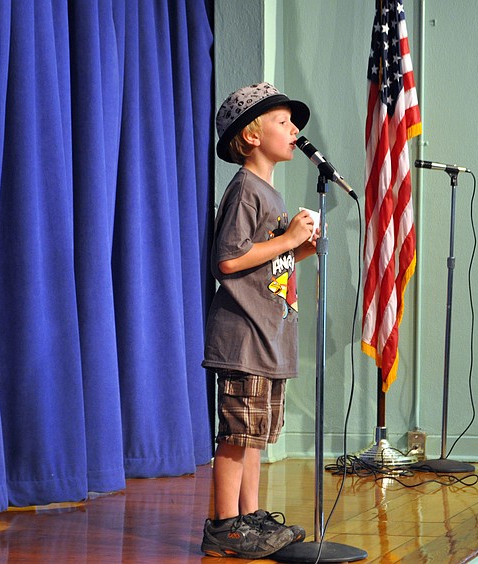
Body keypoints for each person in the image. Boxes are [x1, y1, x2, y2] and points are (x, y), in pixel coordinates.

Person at [200, 82, 319, 559]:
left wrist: (299, 249)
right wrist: (288, 238)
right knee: (235, 437)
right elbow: (228, 260)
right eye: (284, 122)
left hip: (270, 339)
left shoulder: (268, 192)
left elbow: (264, 263)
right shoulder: (246, 190)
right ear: (251, 135)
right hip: (244, 338)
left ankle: (249, 517)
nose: (294, 132)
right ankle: (224, 525)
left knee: (254, 437)